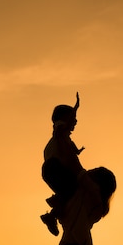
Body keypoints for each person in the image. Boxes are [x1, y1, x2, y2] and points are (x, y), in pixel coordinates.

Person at [40, 92, 86, 236]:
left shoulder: (65, 138)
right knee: (74, 188)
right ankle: (54, 209)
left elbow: (71, 148)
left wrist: (77, 151)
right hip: (53, 168)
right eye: (73, 118)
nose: (76, 122)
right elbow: (62, 127)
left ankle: (53, 215)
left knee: (71, 193)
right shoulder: (59, 129)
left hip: (51, 170)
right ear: (65, 119)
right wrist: (76, 107)